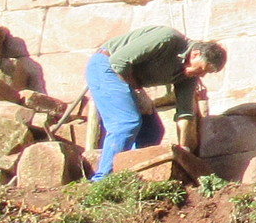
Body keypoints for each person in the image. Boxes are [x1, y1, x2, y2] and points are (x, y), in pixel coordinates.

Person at [87, 26, 226, 179]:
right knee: (126, 123)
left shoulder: (189, 76)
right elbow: (119, 61)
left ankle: (134, 176)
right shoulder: (168, 39)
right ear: (195, 54)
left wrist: (184, 148)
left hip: (126, 77)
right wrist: (140, 93)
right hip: (106, 66)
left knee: (153, 130)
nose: (202, 75)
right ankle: (103, 179)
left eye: (206, 73)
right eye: (202, 69)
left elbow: (185, 113)